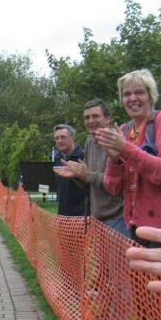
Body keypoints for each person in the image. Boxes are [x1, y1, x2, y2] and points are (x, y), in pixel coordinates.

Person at [96, 68, 161, 243]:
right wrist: (114, 161)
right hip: (134, 226)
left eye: (139, 92)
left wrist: (125, 149)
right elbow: (112, 188)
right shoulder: (124, 130)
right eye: (126, 94)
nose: (132, 98)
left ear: (151, 96)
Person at [54, 99, 129, 237]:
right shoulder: (90, 141)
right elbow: (88, 181)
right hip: (96, 218)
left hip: (118, 219)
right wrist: (77, 175)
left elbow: (117, 183)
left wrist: (86, 174)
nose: (90, 121)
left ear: (107, 119)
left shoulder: (116, 141)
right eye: (87, 117)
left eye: (95, 116)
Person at [53, 123, 86, 216]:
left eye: (63, 137)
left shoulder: (84, 156)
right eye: (57, 138)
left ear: (72, 138)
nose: (59, 140)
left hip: (82, 214)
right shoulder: (57, 157)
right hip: (62, 213)